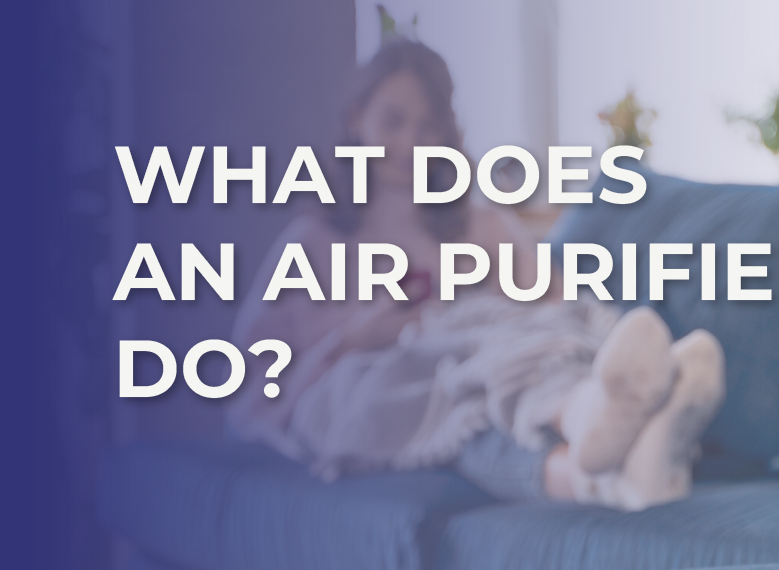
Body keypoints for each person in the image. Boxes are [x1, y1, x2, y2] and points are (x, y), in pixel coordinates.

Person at [228, 39, 725, 511]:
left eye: (427, 127)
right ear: (357, 119)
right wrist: (358, 335)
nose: (409, 143)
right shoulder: (311, 242)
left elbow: (557, 305)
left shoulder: (482, 225)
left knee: (484, 379)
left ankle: (607, 441)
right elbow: (250, 380)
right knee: (463, 389)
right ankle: (608, 434)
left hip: (489, 384)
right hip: (376, 398)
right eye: (393, 122)